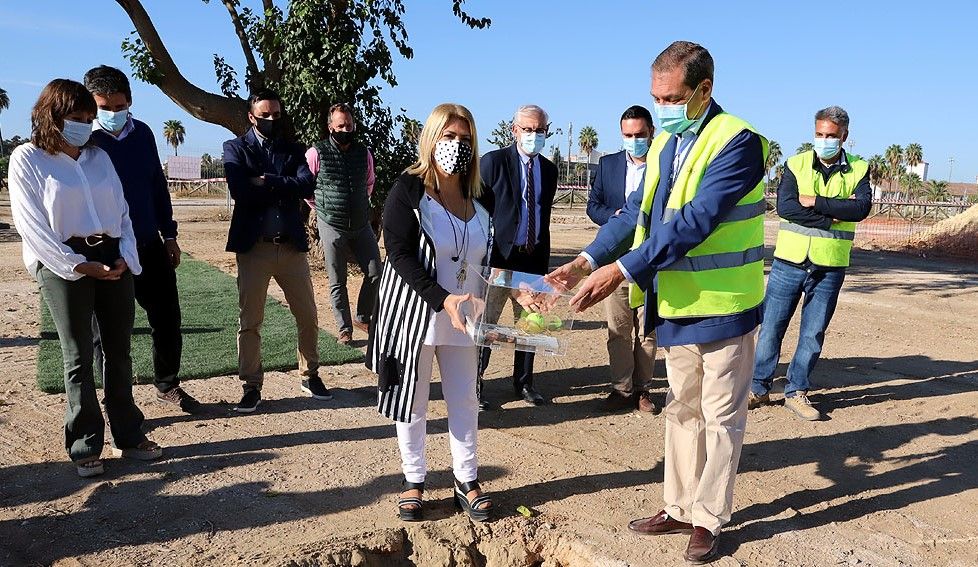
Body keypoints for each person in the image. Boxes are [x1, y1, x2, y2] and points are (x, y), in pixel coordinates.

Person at [548, 41, 768, 564]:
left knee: (720, 418)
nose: (662, 108)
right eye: (655, 96)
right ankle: (677, 506)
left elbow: (694, 223)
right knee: (681, 410)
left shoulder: (738, 143)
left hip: (724, 307)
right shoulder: (668, 148)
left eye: (671, 97)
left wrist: (622, 270)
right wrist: (585, 260)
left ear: (704, 90)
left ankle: (709, 518)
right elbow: (632, 214)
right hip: (675, 307)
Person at [8, 79, 163, 478]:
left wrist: (126, 257)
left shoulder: (99, 158)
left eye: (88, 118)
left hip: (111, 256)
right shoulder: (28, 159)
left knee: (120, 351)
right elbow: (32, 226)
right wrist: (76, 264)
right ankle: (84, 442)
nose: (84, 124)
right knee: (78, 355)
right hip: (63, 262)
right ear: (52, 117)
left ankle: (128, 434)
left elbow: (123, 211)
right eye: (76, 118)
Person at [367, 103, 493, 522]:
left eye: (464, 137)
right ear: (431, 138)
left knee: (465, 398)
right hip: (417, 312)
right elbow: (398, 254)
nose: (456, 145)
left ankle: (467, 478)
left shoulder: (480, 193)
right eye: (448, 136)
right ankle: (413, 480)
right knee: (413, 401)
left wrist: (521, 289)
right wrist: (442, 299)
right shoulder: (409, 189)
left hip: (466, 314)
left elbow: (491, 253)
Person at [82, 65, 197, 413]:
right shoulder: (83, 140)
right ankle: (115, 399)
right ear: (91, 104)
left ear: (129, 101)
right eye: (105, 107)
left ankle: (167, 385)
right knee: (108, 333)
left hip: (149, 244)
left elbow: (156, 187)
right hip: (107, 249)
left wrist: (170, 235)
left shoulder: (143, 133)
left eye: (119, 106)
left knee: (167, 319)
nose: (113, 114)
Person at [750, 106, 871, 421]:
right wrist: (832, 219)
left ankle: (796, 392)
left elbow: (860, 209)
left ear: (844, 136)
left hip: (829, 266)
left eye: (831, 135)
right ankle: (758, 388)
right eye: (819, 134)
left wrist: (816, 202)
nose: (824, 140)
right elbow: (787, 207)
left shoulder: (860, 168)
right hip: (789, 261)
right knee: (771, 327)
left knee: (813, 332)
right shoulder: (796, 163)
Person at [223, 89, 326, 413]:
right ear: (251, 116)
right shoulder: (235, 148)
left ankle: (310, 374)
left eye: (276, 116)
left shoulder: (293, 149)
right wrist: (283, 183)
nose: (271, 120)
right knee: (250, 321)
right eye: (264, 115)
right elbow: (239, 188)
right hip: (254, 250)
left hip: (291, 248)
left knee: (308, 316)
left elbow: (307, 186)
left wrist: (265, 180)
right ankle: (251, 385)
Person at [477, 105, 558, 408]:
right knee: (487, 326)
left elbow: (543, 215)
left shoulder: (549, 170)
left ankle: (524, 383)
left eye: (539, 130)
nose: (533, 135)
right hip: (499, 260)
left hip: (532, 260)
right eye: (527, 129)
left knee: (530, 324)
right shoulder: (494, 163)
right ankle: (475, 384)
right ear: (514, 130)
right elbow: (478, 214)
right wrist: (487, 259)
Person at [587, 105, 658, 414]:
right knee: (617, 328)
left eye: (640, 134)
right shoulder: (608, 165)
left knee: (647, 330)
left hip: (650, 261)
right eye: (628, 135)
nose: (634, 140)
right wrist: (612, 216)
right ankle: (621, 388)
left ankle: (643, 389)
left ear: (651, 132)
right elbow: (593, 206)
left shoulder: (664, 164)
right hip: (613, 260)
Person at [305, 103, 381, 345]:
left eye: (348, 125)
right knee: (338, 280)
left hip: (360, 223)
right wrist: (322, 210)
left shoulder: (364, 153)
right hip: (331, 223)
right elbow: (307, 187)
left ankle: (362, 316)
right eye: (340, 126)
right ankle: (344, 328)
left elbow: (369, 183)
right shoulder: (316, 153)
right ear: (330, 127)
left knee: (376, 273)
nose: (345, 129)